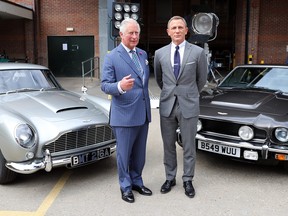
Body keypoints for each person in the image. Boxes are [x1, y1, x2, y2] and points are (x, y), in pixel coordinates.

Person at [154, 16, 207, 198]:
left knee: (188, 145)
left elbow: (201, 80)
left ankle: (187, 180)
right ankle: (170, 178)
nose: (177, 30)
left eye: (180, 27)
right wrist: (172, 92)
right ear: (168, 32)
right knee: (168, 145)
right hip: (167, 105)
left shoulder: (198, 53)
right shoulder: (160, 53)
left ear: (186, 30)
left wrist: (189, 94)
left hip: (189, 105)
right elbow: (160, 79)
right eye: (173, 28)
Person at [101, 18, 152, 203]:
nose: (134, 36)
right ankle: (125, 186)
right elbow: (105, 85)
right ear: (121, 34)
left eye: (137, 32)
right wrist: (120, 86)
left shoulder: (142, 54)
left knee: (139, 154)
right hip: (123, 115)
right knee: (124, 155)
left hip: (143, 113)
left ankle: (137, 181)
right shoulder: (112, 56)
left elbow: (143, 84)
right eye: (130, 33)